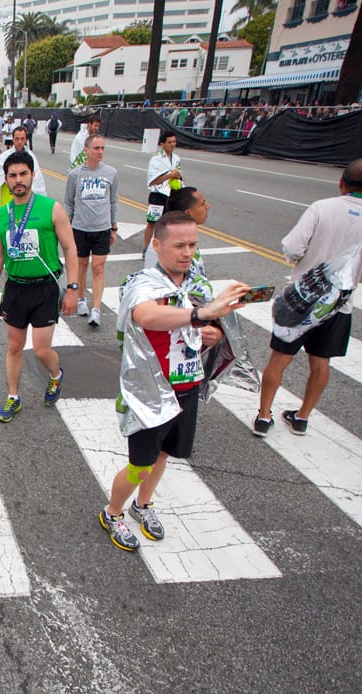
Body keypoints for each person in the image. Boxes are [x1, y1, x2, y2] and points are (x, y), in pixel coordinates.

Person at [101, 211, 249, 551]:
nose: (187, 252)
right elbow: (146, 315)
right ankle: (112, 513)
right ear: (157, 244)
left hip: (187, 386)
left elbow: (195, 328)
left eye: (193, 245)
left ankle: (143, 505)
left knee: (165, 455)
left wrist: (209, 332)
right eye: (179, 245)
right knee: (140, 465)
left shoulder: (195, 286)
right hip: (150, 392)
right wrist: (201, 315)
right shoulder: (143, 283)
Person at [253, 158, 362, 437]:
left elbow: (292, 247)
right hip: (338, 304)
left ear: (341, 182)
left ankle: (264, 416)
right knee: (320, 361)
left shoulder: (321, 208)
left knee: (279, 359)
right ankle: (302, 417)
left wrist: (305, 261)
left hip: (301, 300)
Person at [0, 151, 80, 423]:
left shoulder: (51, 208)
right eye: (12, 175)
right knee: (14, 346)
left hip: (44, 287)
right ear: (5, 180)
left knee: (40, 349)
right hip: (15, 288)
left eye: (23, 174)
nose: (18, 180)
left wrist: (73, 288)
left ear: (32, 175)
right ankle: (13, 397)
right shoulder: (2, 215)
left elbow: (70, 247)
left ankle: (55, 375)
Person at [63, 134, 118, 328]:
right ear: (86, 150)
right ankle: (80, 299)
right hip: (80, 227)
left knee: (98, 267)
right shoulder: (75, 174)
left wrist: (113, 227)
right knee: (81, 266)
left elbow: (113, 201)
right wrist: (67, 227)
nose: (100, 152)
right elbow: (68, 202)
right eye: (96, 148)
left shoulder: (111, 173)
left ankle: (96, 309)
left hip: (102, 228)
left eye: (103, 148)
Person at [144, 185, 210, 276]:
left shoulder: (182, 237)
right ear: (188, 213)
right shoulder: (167, 243)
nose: (207, 207)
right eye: (203, 204)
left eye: (191, 245)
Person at [0, 126, 45, 207]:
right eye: (17, 138)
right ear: (13, 139)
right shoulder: (4, 157)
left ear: (26, 139)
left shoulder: (31, 157)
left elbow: (37, 180)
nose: (19, 142)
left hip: (26, 198)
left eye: (22, 139)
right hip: (9, 198)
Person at [143, 131, 182, 255]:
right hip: (158, 195)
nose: (172, 144)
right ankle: (145, 248)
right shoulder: (156, 160)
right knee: (152, 223)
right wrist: (170, 175)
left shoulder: (177, 159)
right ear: (162, 144)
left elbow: (178, 175)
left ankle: (166, 249)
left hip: (172, 194)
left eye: (174, 142)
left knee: (169, 224)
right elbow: (153, 181)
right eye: (169, 142)